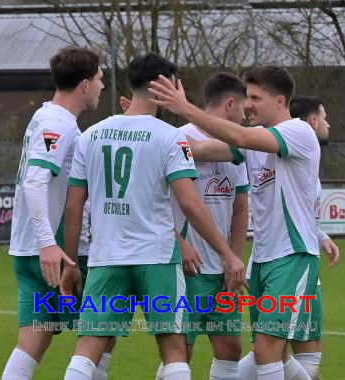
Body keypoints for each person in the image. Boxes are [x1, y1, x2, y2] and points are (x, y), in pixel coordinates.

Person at [62, 53, 245, 380]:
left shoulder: (90, 136)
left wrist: (72, 262)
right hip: (157, 258)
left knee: (88, 346)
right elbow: (190, 203)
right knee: (174, 350)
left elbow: (75, 206)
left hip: (107, 257)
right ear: (166, 85)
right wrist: (227, 253)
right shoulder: (170, 136)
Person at [148, 65, 326, 380]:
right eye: (247, 97)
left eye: (256, 98)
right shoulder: (252, 143)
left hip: (293, 255)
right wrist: (145, 133)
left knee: (267, 350)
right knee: (273, 352)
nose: (248, 105)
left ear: (280, 101)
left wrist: (184, 107)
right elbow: (199, 148)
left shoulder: (298, 132)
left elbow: (240, 136)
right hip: (263, 260)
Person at [2, 47, 104, 380]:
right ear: (85, 84)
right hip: (55, 252)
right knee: (101, 334)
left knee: (33, 341)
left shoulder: (45, 116)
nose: (102, 85)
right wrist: (48, 243)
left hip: (28, 250)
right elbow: (35, 181)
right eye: (100, 78)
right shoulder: (57, 123)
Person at [239, 95, 340, 380]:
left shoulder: (301, 157)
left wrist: (319, 235)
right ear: (312, 120)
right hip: (276, 260)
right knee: (273, 352)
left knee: (287, 354)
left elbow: (300, 212)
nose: (328, 124)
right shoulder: (283, 147)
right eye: (324, 117)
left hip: (296, 264)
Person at [160, 73, 250, 380]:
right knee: (180, 353)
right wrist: (178, 242)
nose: (246, 114)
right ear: (230, 104)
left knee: (230, 349)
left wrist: (233, 260)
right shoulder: (174, 137)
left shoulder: (240, 145)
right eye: (244, 107)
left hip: (222, 268)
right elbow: (151, 203)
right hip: (186, 268)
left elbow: (240, 211)